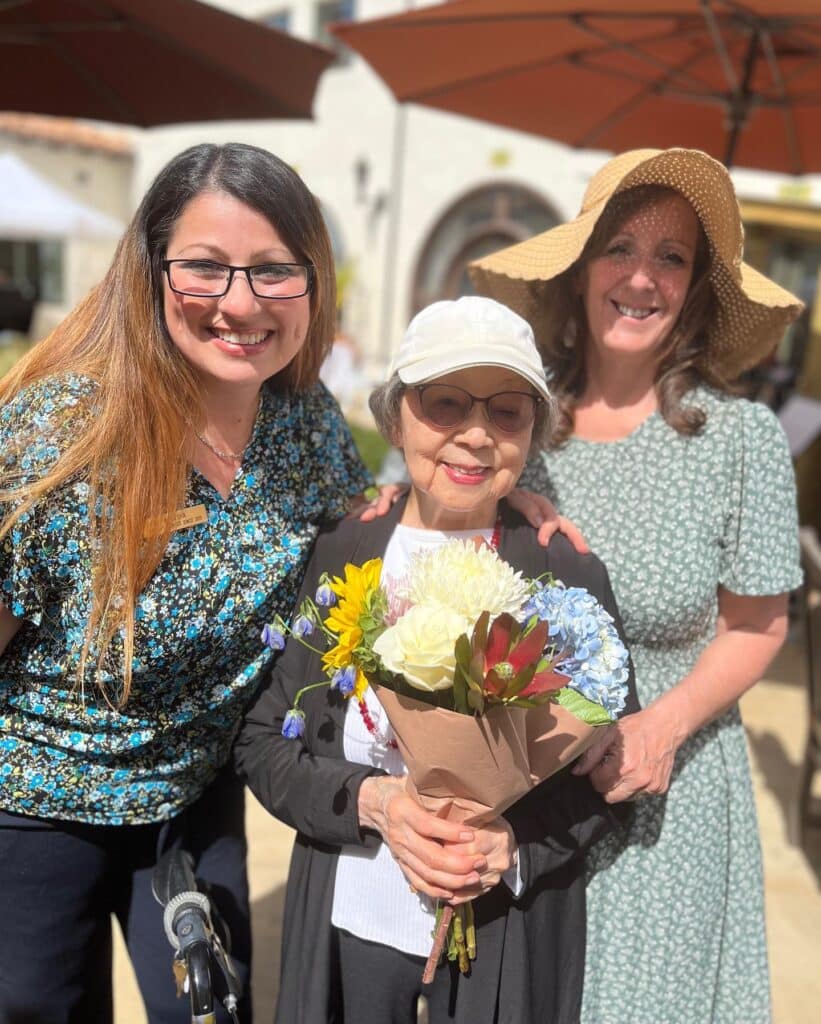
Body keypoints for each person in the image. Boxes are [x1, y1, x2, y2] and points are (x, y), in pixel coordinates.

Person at [0, 142, 374, 1024]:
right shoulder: (62, 434)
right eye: (205, 267)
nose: (240, 303)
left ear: (310, 282)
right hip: (35, 797)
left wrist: (514, 511)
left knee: (213, 1013)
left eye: (274, 271)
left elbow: (370, 547)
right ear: (152, 271)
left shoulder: (307, 424)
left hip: (195, 790)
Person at [234, 296, 640, 1024]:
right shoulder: (341, 553)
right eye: (443, 403)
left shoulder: (563, 573)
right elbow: (264, 743)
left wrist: (511, 844)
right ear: (395, 419)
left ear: (533, 436)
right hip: (350, 927)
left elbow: (609, 775)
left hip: (503, 940)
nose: (475, 435)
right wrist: (373, 804)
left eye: (507, 412)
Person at [470, 147, 804, 1024]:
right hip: (529, 800)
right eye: (619, 247)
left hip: (669, 796)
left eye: (671, 257)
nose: (641, 277)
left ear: (693, 289)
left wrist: (658, 725)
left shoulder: (739, 441)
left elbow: (759, 626)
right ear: (579, 270)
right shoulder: (517, 425)